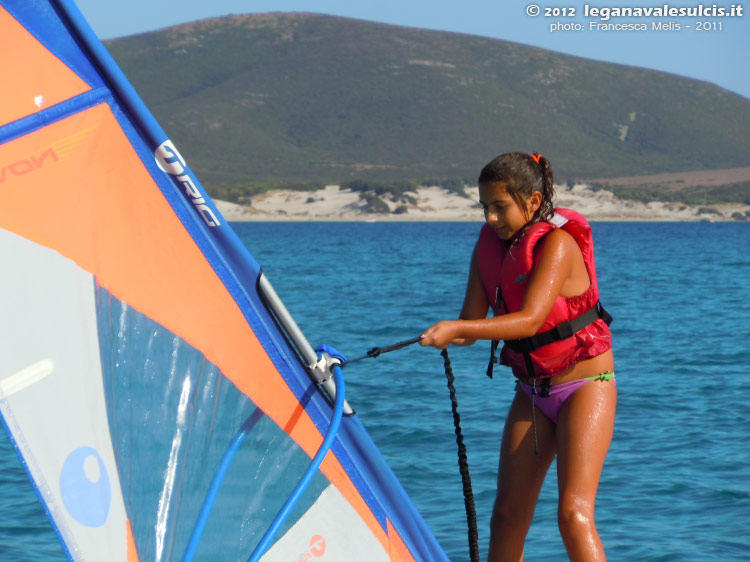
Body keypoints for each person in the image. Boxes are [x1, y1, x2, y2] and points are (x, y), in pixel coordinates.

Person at [420, 151, 616, 561]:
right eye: (485, 207)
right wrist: (441, 334)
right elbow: (470, 326)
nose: (491, 218)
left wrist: (457, 329)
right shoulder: (487, 249)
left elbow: (528, 321)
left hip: (585, 387)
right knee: (506, 516)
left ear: (531, 201)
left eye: (500, 207)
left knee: (572, 514)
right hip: (532, 392)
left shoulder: (558, 244)